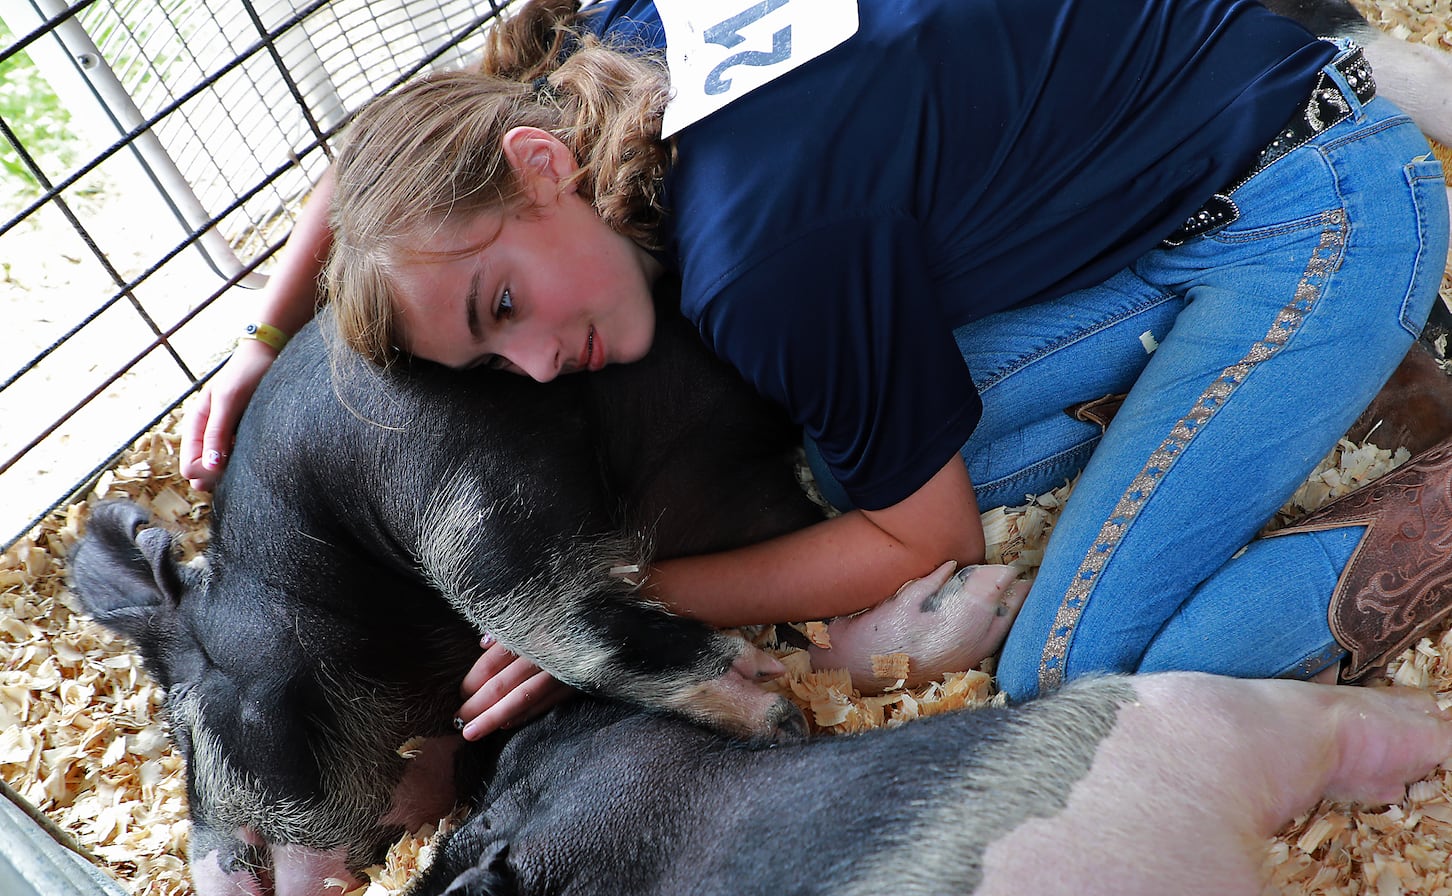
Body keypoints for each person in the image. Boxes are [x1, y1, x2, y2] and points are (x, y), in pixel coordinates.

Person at [182, 0, 1450, 737]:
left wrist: (623, 600)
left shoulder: (753, 268)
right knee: (834, 471)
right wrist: (261, 340)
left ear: (537, 161)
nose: (536, 363)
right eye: (492, 354)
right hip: (1186, 176)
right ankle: (1312, 380)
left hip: (1317, 206)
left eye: (502, 301)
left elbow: (925, 536)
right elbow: (375, 163)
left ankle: (1394, 448)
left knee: (1059, 668)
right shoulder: (613, 36)